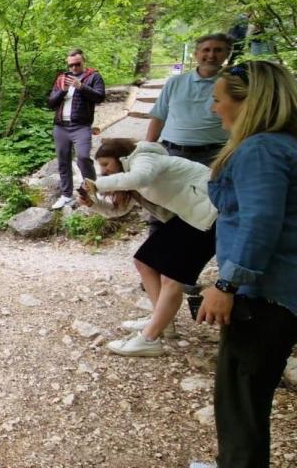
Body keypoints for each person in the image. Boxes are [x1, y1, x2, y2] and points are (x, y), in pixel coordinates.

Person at [197, 60, 297, 467]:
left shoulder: (260, 149)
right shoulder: (283, 145)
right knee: (248, 398)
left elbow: (261, 220)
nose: (213, 109)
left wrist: (226, 286)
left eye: (218, 100)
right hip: (278, 292)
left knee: (240, 404)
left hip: (264, 297)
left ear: (247, 102)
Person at [76, 138, 217, 357]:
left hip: (210, 214)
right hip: (189, 217)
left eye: (106, 164)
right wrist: (93, 203)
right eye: (101, 167)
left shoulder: (144, 158)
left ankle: (149, 339)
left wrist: (98, 185)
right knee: (144, 261)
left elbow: (141, 177)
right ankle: (162, 320)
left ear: (120, 158)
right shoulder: (129, 178)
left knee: (172, 278)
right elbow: (118, 211)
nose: (104, 171)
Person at [146, 33, 231, 166]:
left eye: (218, 50)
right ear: (196, 54)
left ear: (227, 54)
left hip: (215, 156)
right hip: (171, 154)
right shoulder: (175, 82)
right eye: (206, 50)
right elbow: (159, 117)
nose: (211, 55)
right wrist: (147, 150)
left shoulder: (232, 84)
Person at [47, 48, 106, 210]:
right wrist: (62, 92)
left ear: (83, 62)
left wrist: (81, 87)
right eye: (70, 65)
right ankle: (66, 195)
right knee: (63, 162)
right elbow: (51, 103)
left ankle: (92, 191)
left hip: (81, 126)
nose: (73, 68)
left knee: (83, 157)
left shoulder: (93, 76)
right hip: (60, 126)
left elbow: (100, 97)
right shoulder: (62, 79)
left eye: (77, 64)